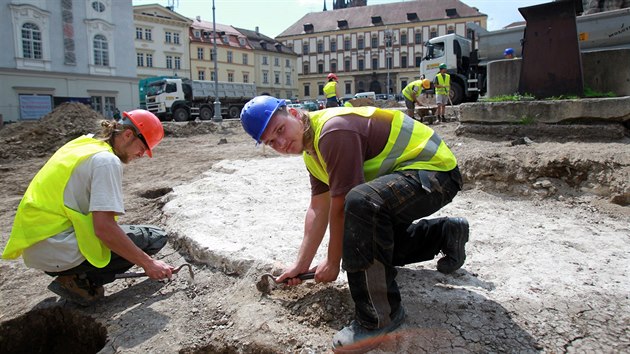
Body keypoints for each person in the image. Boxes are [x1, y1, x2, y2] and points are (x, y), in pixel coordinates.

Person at [240, 96, 469, 352]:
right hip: (413, 177)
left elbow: (341, 206)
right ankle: (444, 234)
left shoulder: (333, 131)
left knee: (360, 204)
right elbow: (318, 208)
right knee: (371, 241)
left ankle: (379, 317)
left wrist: (333, 261)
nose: (280, 143)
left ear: (293, 113)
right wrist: (301, 265)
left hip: (435, 173)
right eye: (271, 142)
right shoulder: (312, 153)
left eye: (280, 130)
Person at [2, 109, 174, 306]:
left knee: (125, 235)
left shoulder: (83, 144)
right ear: (128, 135)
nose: (142, 155)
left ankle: (74, 276)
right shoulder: (106, 161)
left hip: (38, 248)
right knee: (154, 236)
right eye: (143, 148)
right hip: (59, 249)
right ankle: (81, 281)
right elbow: (104, 229)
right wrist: (149, 264)